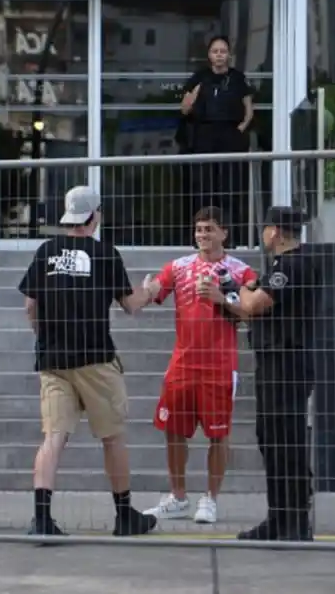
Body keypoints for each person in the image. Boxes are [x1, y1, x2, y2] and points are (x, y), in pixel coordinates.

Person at [18, 185, 159, 537]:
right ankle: (125, 515)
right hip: (95, 358)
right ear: (94, 216)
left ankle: (42, 519)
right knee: (112, 437)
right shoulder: (105, 254)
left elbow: (30, 306)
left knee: (53, 438)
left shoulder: (46, 251)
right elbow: (130, 305)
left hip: (53, 360)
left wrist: (44, 337)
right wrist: (150, 291)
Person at [142, 206, 257, 525]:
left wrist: (222, 298)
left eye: (209, 229)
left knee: (218, 435)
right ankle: (178, 497)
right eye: (199, 229)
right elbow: (154, 291)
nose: (202, 234)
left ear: (224, 233)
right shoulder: (178, 267)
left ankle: (211, 499)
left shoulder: (242, 271)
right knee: (173, 430)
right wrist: (145, 290)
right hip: (182, 364)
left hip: (219, 366)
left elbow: (253, 312)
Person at [224, 206, 321, 541]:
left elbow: (253, 305)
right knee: (272, 439)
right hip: (275, 360)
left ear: (276, 231)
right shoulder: (286, 265)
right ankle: (278, 517)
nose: (263, 234)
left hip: (286, 363)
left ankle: (294, 521)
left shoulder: (291, 265)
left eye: (266, 228)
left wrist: (243, 286)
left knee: (286, 441)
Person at [179, 36, 255, 246]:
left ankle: (230, 238)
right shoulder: (200, 78)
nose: (219, 55)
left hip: (230, 136)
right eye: (215, 51)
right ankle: (200, 237)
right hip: (204, 137)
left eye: (223, 51)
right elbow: (184, 109)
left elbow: (249, 110)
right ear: (209, 55)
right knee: (203, 188)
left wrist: (240, 129)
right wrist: (194, 95)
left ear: (229, 54)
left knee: (229, 189)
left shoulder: (238, 78)